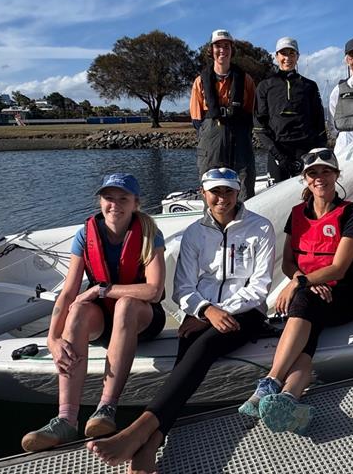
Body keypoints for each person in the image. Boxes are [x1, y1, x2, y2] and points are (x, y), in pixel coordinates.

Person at [87, 168, 275, 473]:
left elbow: (259, 287)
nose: (222, 198)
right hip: (203, 314)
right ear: (203, 194)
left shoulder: (260, 228)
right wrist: (204, 311)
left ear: (238, 193)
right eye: (215, 191)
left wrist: (216, 312)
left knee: (203, 348)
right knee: (188, 351)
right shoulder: (194, 233)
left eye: (228, 191)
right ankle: (150, 443)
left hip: (246, 313)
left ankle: (137, 432)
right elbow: (183, 288)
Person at [21, 173, 166, 452]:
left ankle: (106, 408)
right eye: (108, 198)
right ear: (100, 201)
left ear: (136, 203)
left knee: (124, 305)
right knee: (76, 311)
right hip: (105, 323)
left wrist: (103, 290)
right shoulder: (85, 234)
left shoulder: (150, 234)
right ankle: (66, 419)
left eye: (123, 199)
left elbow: (154, 292)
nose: (115, 205)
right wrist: (53, 338)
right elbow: (68, 292)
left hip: (142, 318)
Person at [238, 148, 353, 434]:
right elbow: (288, 263)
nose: (319, 178)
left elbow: (339, 268)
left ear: (336, 175)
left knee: (304, 300)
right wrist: (301, 279)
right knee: (310, 327)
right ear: (305, 179)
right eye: (313, 173)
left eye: (325, 171)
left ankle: (271, 380)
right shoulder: (296, 214)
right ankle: (287, 397)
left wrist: (299, 283)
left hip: (343, 296)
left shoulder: (350, 215)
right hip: (312, 295)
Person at [190, 29, 257, 200]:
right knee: (211, 185)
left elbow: (250, 110)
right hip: (211, 141)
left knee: (245, 184)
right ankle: (212, 226)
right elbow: (197, 119)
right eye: (218, 46)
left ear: (231, 50)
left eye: (226, 46)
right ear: (211, 50)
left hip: (240, 138)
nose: (222, 50)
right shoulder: (199, 82)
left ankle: (244, 224)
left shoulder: (246, 80)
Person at [254, 37, 328, 182]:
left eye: (291, 53)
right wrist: (279, 156)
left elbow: (319, 122)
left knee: (307, 196)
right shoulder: (264, 86)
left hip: (305, 152)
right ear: (276, 57)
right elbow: (259, 125)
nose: (287, 58)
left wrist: (316, 152)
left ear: (297, 57)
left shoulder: (310, 86)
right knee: (277, 198)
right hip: (278, 152)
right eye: (283, 53)